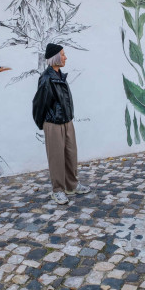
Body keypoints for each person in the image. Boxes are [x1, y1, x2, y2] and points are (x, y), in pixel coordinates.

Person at [32, 43, 90, 204]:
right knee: (56, 158)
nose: (65, 57)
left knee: (71, 154)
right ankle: (57, 190)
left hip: (67, 121)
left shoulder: (60, 76)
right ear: (56, 57)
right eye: (63, 54)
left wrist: (69, 116)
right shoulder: (46, 78)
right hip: (53, 123)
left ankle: (72, 186)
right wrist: (43, 124)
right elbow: (38, 104)